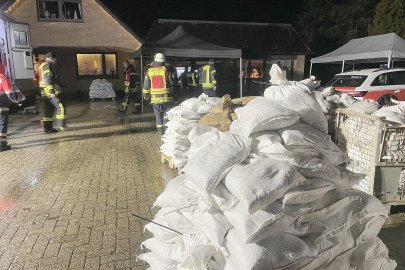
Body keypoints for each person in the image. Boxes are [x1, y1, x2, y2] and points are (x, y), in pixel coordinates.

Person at [143, 53, 175, 135]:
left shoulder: (149, 71)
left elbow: (146, 85)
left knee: (158, 116)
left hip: (156, 99)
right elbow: (173, 84)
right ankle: (167, 131)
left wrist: (146, 96)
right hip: (167, 99)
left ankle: (161, 132)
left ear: (155, 60)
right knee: (167, 115)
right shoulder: (167, 70)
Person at [38, 52, 66, 132]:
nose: (55, 61)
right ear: (51, 58)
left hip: (44, 92)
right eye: (54, 59)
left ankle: (47, 128)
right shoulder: (48, 66)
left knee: (48, 109)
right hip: (51, 92)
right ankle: (61, 125)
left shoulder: (42, 66)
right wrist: (51, 91)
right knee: (60, 107)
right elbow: (47, 79)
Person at [0, 64, 24, 151]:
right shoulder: (2, 77)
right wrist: (18, 101)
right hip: (2, 106)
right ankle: (2, 145)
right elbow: (9, 93)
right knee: (2, 125)